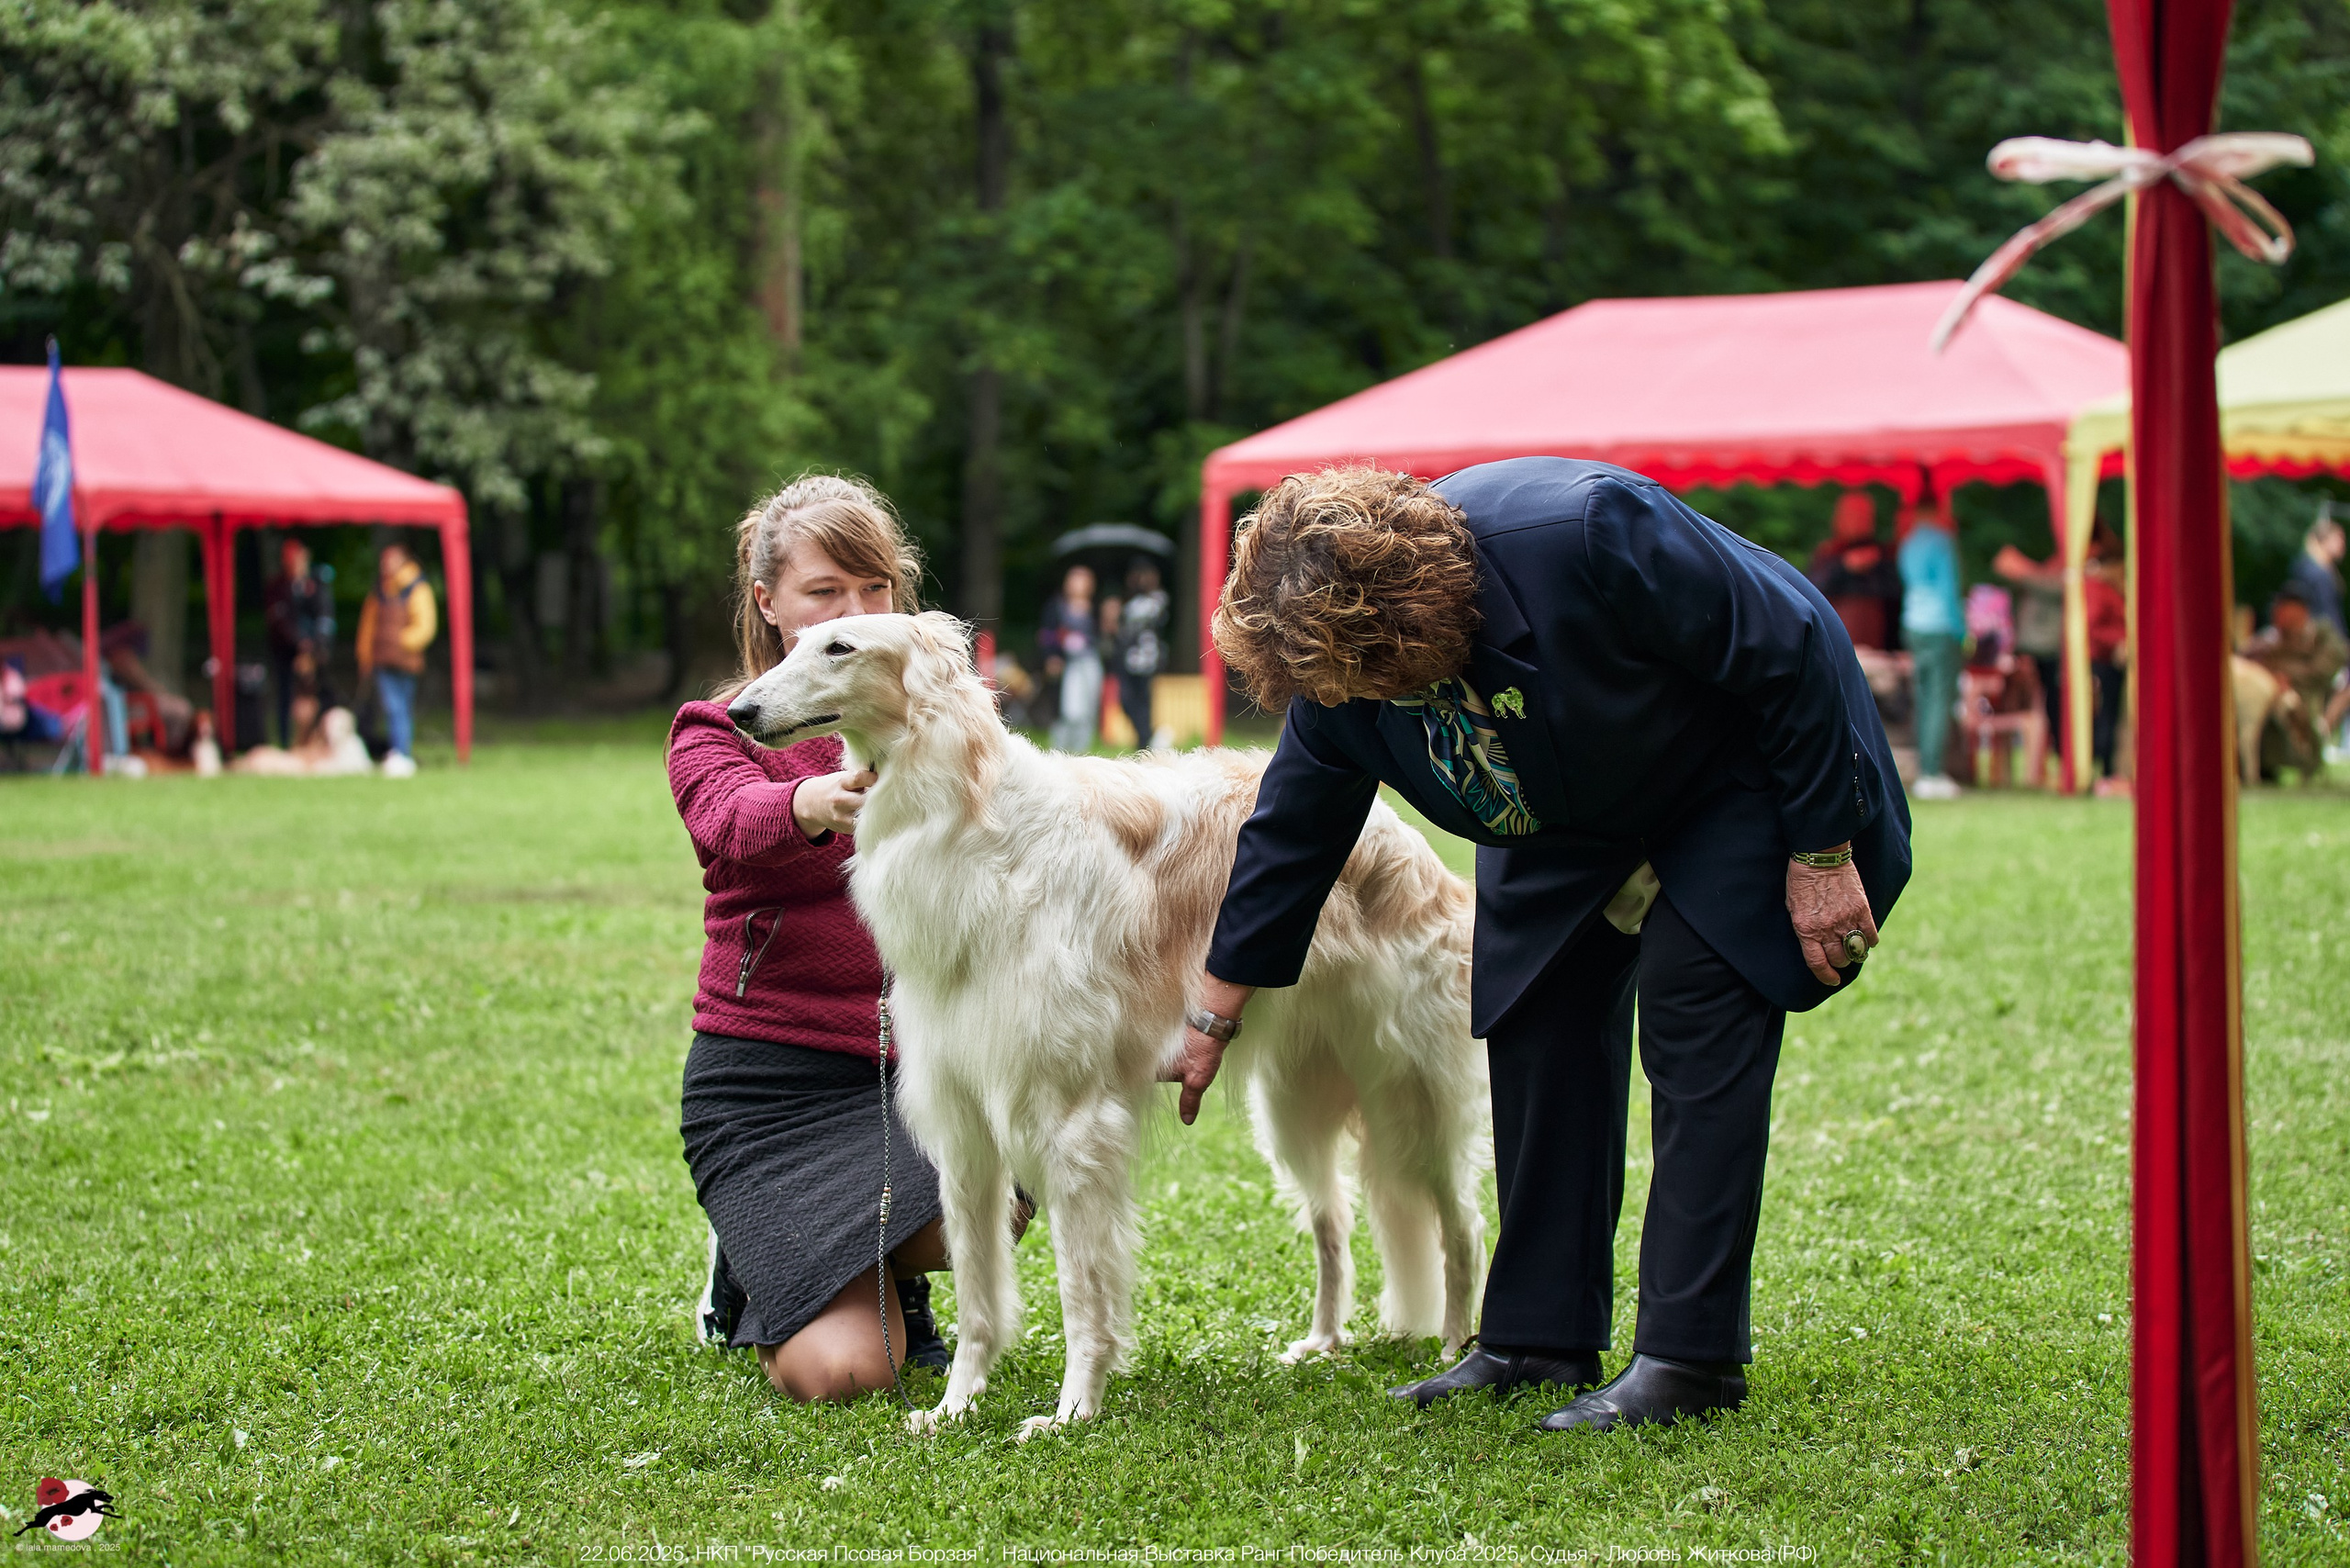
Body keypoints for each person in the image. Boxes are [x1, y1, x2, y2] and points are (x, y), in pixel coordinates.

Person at [1167, 460, 1910, 1434]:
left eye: (1371, 679)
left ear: (1410, 623)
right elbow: (1293, 834)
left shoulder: (1592, 532)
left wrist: (1820, 851)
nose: (1355, 699)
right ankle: (1534, 1339)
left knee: (1695, 1011)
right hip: (1554, 801)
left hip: (1733, 768)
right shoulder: (1332, 661)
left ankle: (1689, 1360)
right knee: (1534, 1014)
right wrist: (1213, 1013)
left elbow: (1792, 643)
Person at [668, 475, 973, 1403]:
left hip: (912, 1071)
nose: (856, 610)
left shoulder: (946, 725)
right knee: (845, 1375)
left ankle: (885, 1270)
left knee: (991, 1204)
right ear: (769, 603)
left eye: (875, 588)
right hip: (768, 1085)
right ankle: (750, 1269)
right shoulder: (718, 728)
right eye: (824, 591)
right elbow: (727, 817)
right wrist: (810, 800)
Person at [2242, 579, 2346, 777]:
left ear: (2301, 610)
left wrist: (2284, 674)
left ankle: (2308, 760)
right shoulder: (2269, 639)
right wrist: (2271, 677)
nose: (2280, 613)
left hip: (2307, 700)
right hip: (2268, 696)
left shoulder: (2320, 637)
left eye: (2286, 608)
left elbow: (2323, 668)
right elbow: (2246, 661)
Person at [1897, 501, 1964, 799]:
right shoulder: (1941, 542)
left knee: (1923, 698)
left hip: (1913, 624)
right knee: (1940, 699)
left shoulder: (1908, 544)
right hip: (1940, 626)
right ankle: (1933, 772)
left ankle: (1925, 767)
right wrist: (1961, 631)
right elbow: (1949, 589)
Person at [356, 543, 437, 778]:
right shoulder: (380, 590)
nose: (386, 565)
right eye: (384, 561)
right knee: (392, 706)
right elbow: (368, 627)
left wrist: (402, 642)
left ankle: (401, 752)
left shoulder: (416, 588)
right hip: (382, 660)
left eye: (390, 560)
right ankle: (399, 753)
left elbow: (426, 625)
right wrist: (365, 654)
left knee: (401, 706)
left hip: (406, 660)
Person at [1993, 543, 2067, 761]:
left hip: (2044, 650)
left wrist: (2023, 569)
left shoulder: (2054, 580)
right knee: (2037, 707)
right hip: (2034, 650)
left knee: (2044, 707)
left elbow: (2050, 585)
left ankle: (2056, 753)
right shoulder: (2049, 577)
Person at [265, 539, 338, 748]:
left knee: (320, 695)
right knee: (286, 696)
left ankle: (318, 740)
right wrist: (300, 643)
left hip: (315, 653)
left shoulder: (316, 585)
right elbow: (279, 620)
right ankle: (286, 741)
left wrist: (316, 646)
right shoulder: (277, 587)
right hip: (286, 652)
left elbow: (324, 616)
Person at [1807, 492, 1899, 651]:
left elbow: (1895, 593)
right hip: (1839, 638)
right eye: (1854, 515)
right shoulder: (1828, 552)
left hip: (1875, 642)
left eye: (1864, 515)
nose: (1860, 521)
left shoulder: (1882, 553)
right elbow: (1813, 591)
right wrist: (1845, 567)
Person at [1039, 564, 1102, 753]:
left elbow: (1102, 638)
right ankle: (1060, 750)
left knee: (1088, 708)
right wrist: (1051, 656)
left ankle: (1082, 751)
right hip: (1067, 665)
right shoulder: (1057, 606)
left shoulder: (1096, 608)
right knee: (1070, 710)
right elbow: (1046, 635)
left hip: (1090, 663)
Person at [2083, 536, 2129, 785]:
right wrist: (2118, 642)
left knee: (2111, 714)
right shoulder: (2098, 589)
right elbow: (2093, 627)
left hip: (2113, 659)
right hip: (2102, 659)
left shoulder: (2112, 589)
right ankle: (2105, 768)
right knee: (2106, 715)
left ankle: (2109, 768)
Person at [1111, 557, 1169, 750]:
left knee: (1144, 703)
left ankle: (1145, 743)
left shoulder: (1158, 599)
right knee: (1126, 701)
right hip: (1128, 660)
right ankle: (1146, 737)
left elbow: (1153, 619)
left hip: (1147, 660)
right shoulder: (1126, 601)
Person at [2285, 508, 2345, 640]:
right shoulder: (2319, 574)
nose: (2342, 544)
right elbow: (2327, 613)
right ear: (2325, 541)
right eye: (2339, 539)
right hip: (2319, 639)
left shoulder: (2305, 565)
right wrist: (2341, 641)